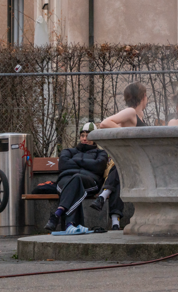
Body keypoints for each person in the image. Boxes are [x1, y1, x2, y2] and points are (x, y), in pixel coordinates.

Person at [92, 82, 148, 230]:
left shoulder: (140, 115)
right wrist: (127, 136)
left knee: (120, 170)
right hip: (130, 163)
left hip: (135, 162)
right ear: (143, 96)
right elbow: (105, 123)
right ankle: (105, 198)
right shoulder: (130, 112)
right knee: (121, 168)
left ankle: (105, 198)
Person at [45, 122, 108, 231]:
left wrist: (75, 161)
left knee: (77, 178)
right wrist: (87, 164)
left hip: (89, 182)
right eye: (82, 135)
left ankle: (58, 214)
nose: (85, 138)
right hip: (65, 181)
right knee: (75, 184)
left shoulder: (101, 153)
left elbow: (98, 166)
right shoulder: (68, 151)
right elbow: (63, 164)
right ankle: (70, 224)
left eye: (88, 136)